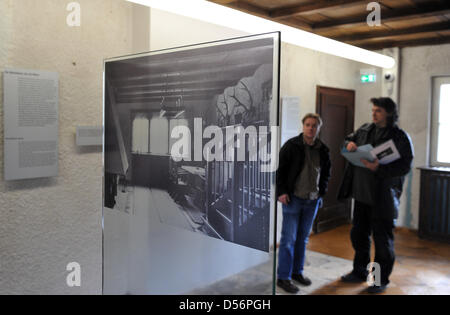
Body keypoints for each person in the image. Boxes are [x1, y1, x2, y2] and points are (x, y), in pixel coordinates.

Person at [338, 97, 414, 294]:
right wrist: (349, 145)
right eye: (373, 110)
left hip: (383, 199)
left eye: (378, 110)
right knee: (359, 236)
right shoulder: (364, 129)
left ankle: (379, 280)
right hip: (361, 195)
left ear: (388, 113)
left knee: (382, 242)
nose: (374, 114)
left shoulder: (399, 137)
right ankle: (359, 271)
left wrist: (379, 168)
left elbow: (405, 166)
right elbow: (347, 141)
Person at [276, 113, 331, 294]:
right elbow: (280, 171)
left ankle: (297, 272)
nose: (310, 128)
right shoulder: (291, 146)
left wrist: (321, 193)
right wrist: (282, 192)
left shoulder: (323, 150)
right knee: (288, 240)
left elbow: (325, 175)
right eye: (307, 124)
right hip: (293, 199)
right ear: (303, 126)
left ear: (318, 128)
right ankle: (283, 278)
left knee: (302, 239)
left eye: (314, 125)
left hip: (312, 201)